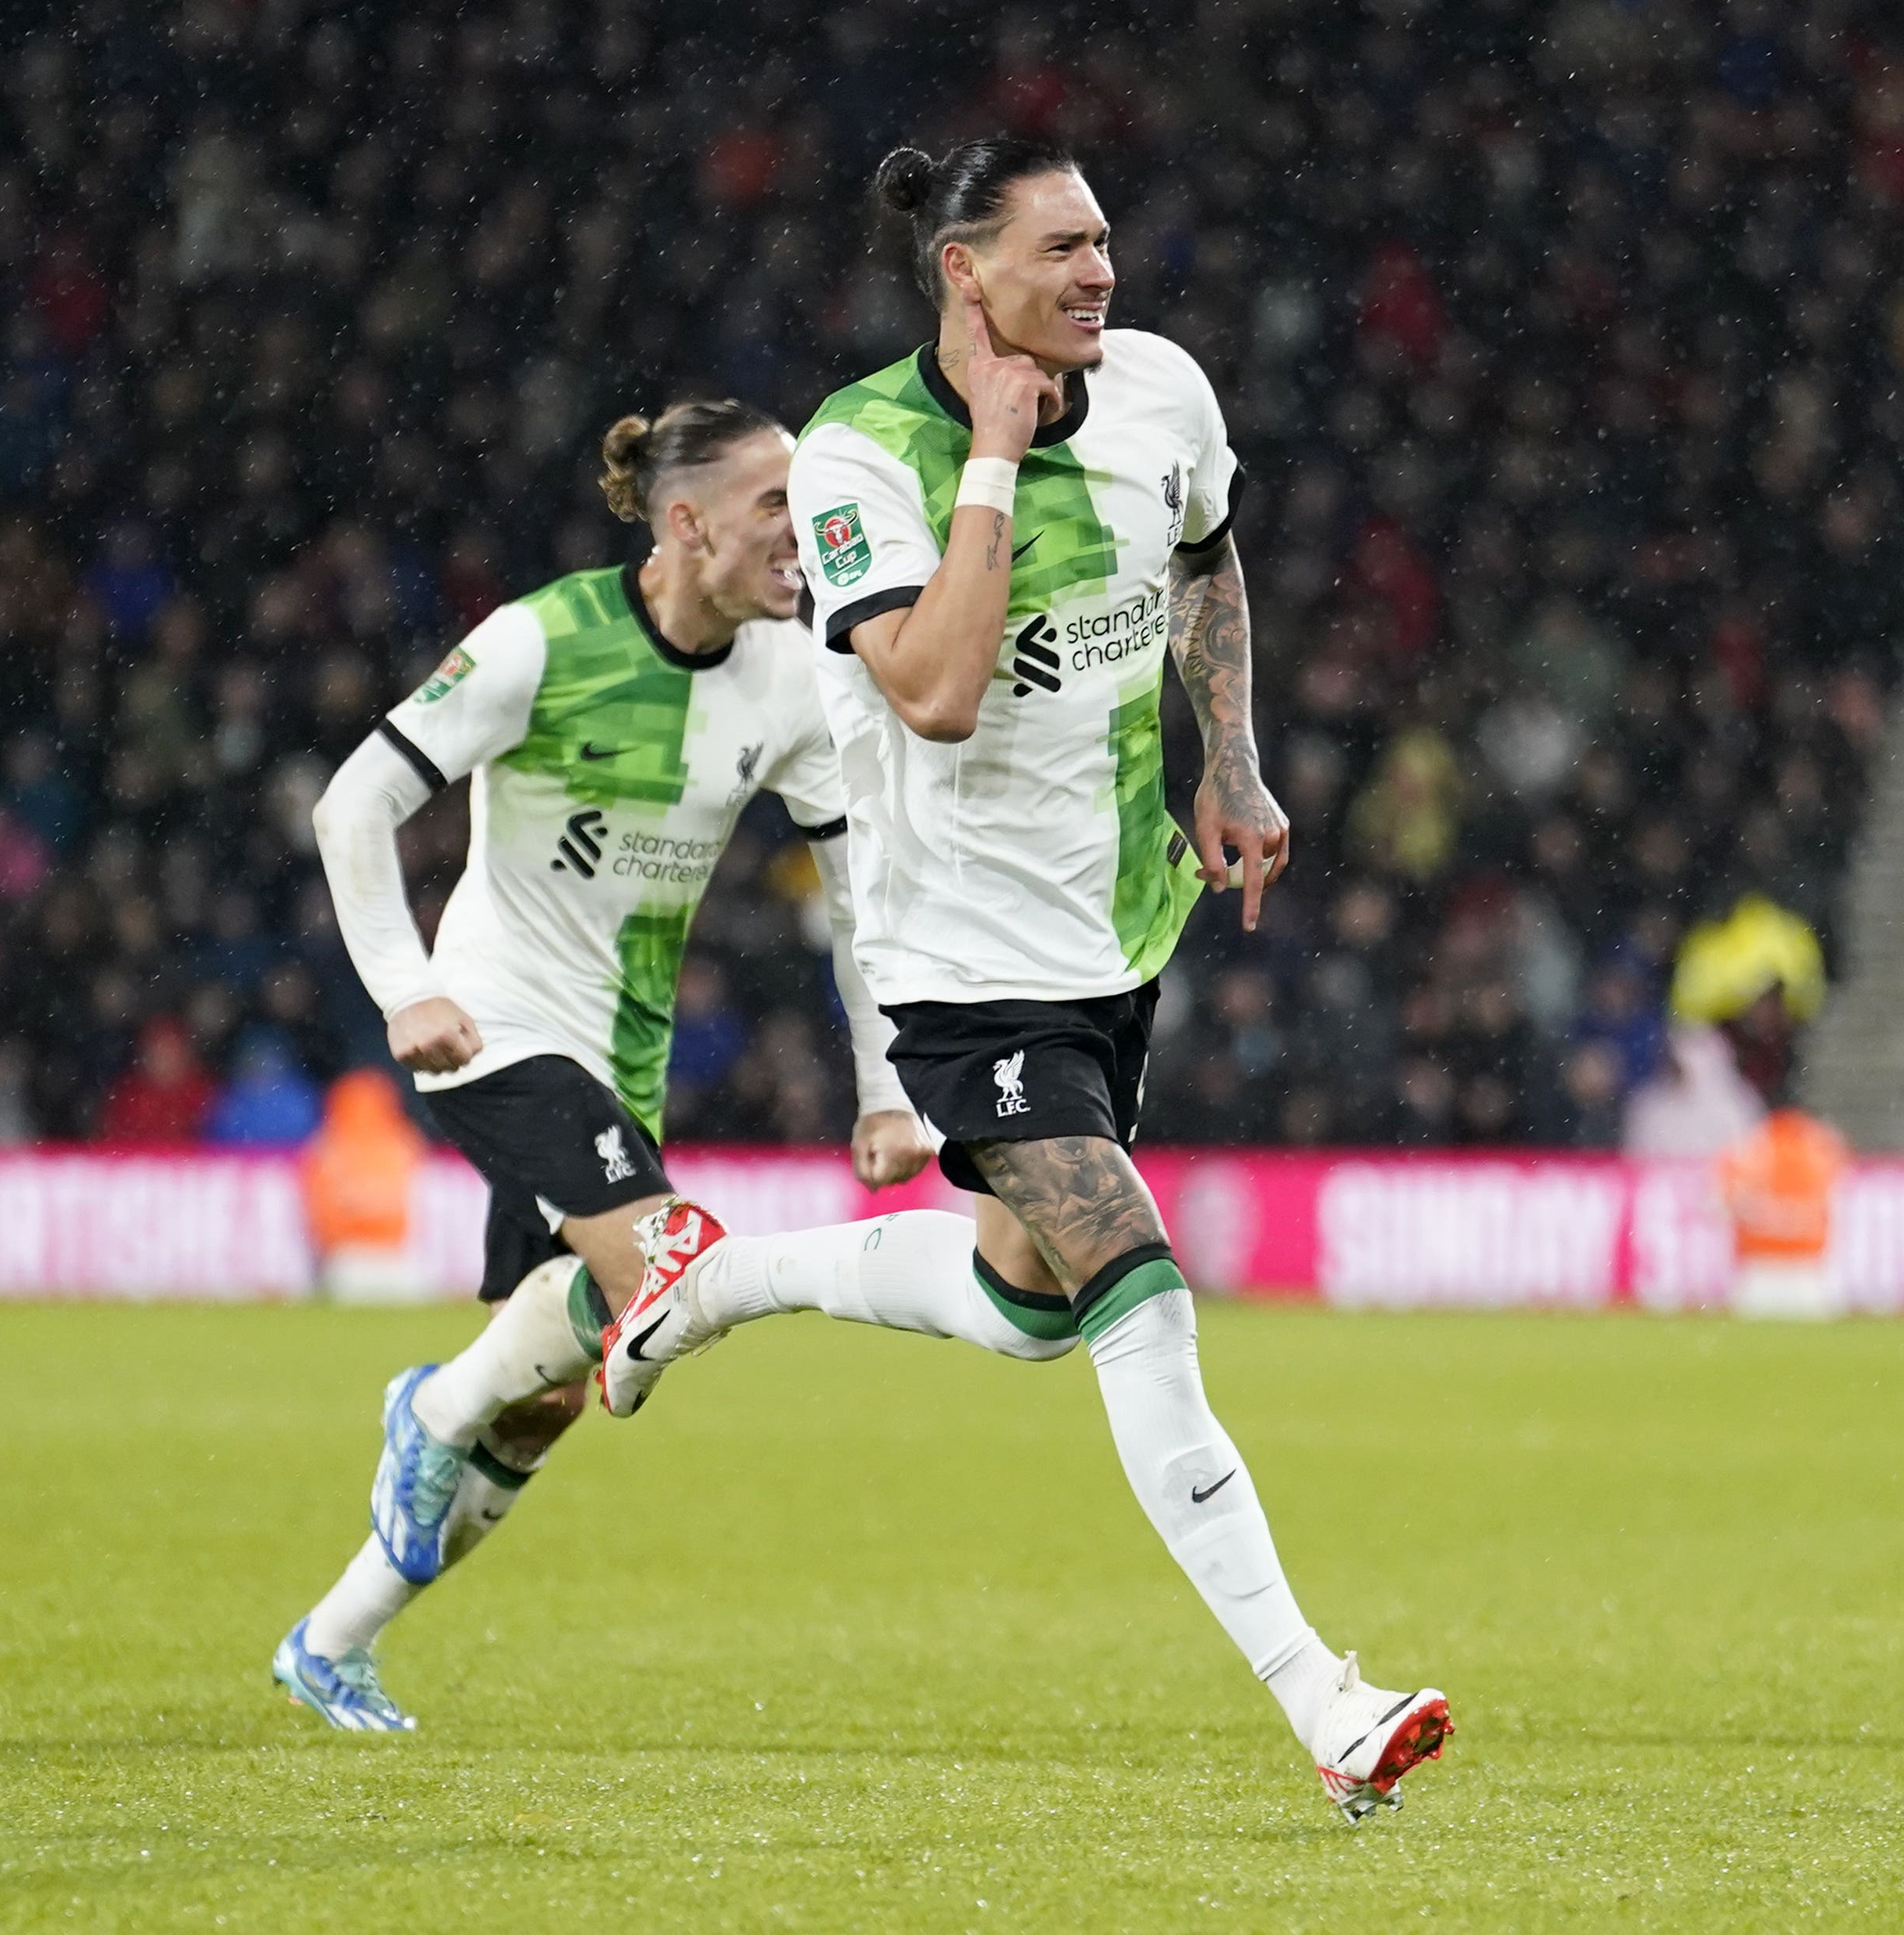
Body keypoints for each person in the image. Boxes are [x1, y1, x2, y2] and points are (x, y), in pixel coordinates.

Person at [593, 139, 1450, 1821]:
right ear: (962, 275)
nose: (1101, 274)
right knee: (1130, 1271)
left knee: (1025, 1301)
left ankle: (715, 1282)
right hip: (956, 957)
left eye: (1106, 241)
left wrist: (1236, 759)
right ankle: (1322, 1700)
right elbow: (929, 688)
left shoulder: (1158, 394)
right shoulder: (863, 458)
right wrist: (989, 452)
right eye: (1062, 249)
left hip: (1116, 924)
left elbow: (1204, 557)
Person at [278, 400, 1074, 1727]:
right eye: (776, 506)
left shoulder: (792, 675)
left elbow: (855, 898)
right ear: (686, 524)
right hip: (494, 1024)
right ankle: (424, 1414)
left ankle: (332, 1638)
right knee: (664, 1270)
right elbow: (353, 801)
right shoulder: (543, 639)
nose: (801, 534)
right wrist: (403, 986)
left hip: (616, 1063)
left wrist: (886, 1089)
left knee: (545, 1404)